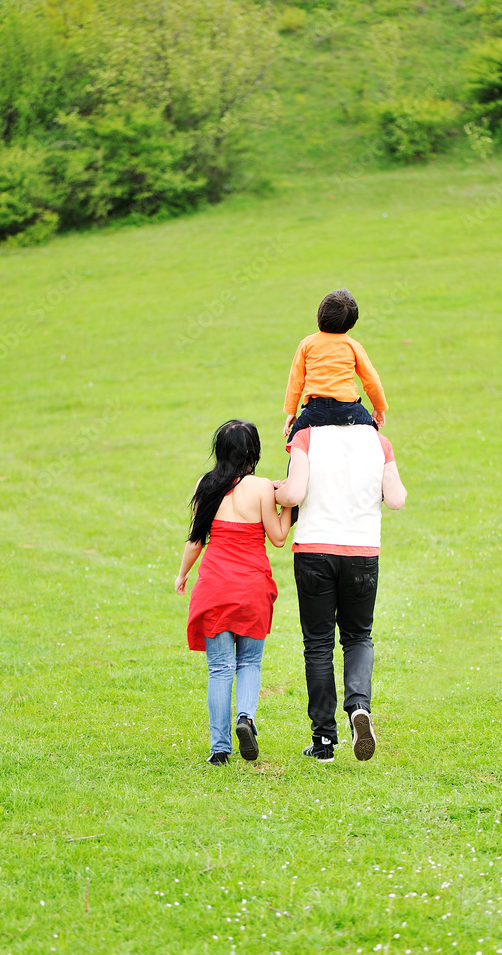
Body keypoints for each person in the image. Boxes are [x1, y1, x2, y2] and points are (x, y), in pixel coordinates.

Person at [274, 422, 406, 762]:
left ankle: (323, 741)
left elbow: (293, 495)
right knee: (358, 637)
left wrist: (273, 491)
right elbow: (396, 499)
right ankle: (359, 706)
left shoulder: (306, 436)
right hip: (362, 552)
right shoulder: (378, 441)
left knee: (318, 645)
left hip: (314, 550)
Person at [175, 420, 292, 765]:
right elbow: (278, 537)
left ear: (220, 450)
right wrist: (287, 502)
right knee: (250, 662)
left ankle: (219, 749)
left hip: (214, 586)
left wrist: (182, 574)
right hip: (252, 586)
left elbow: (195, 541)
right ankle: (246, 718)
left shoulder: (206, 484)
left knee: (219, 669)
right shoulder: (261, 488)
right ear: (253, 451)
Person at [282, 288, 389, 442]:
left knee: (294, 443)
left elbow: (296, 381)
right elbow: (372, 381)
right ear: (351, 324)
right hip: (347, 409)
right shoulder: (353, 346)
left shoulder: (306, 344)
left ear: (319, 315)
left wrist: (291, 411)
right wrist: (379, 408)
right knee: (373, 435)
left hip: (315, 410)